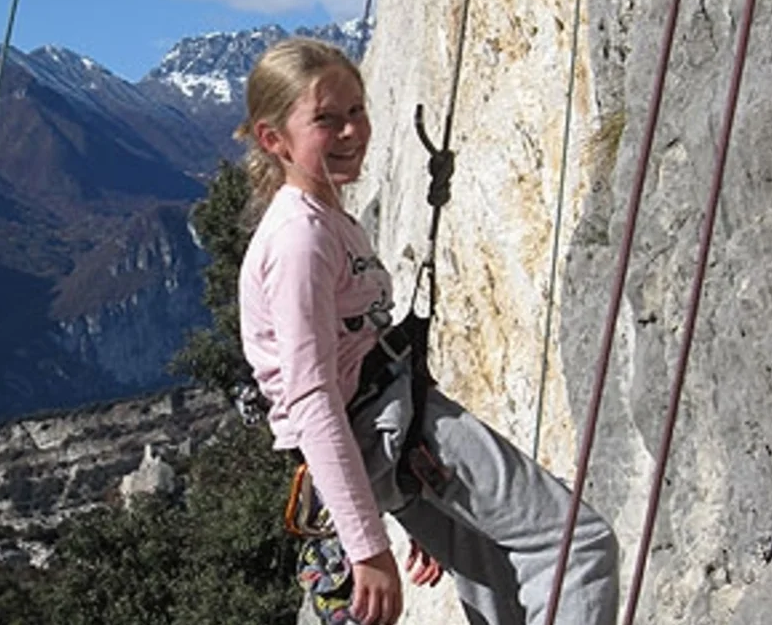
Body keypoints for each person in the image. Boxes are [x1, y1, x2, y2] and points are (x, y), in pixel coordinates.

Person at [235, 36, 620, 625]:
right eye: (326, 120)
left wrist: (419, 503)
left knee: (497, 578)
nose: (350, 132)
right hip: (386, 425)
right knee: (576, 547)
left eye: (357, 111)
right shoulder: (299, 239)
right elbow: (312, 397)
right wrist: (367, 546)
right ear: (273, 139)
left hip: (393, 431)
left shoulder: (325, 217)